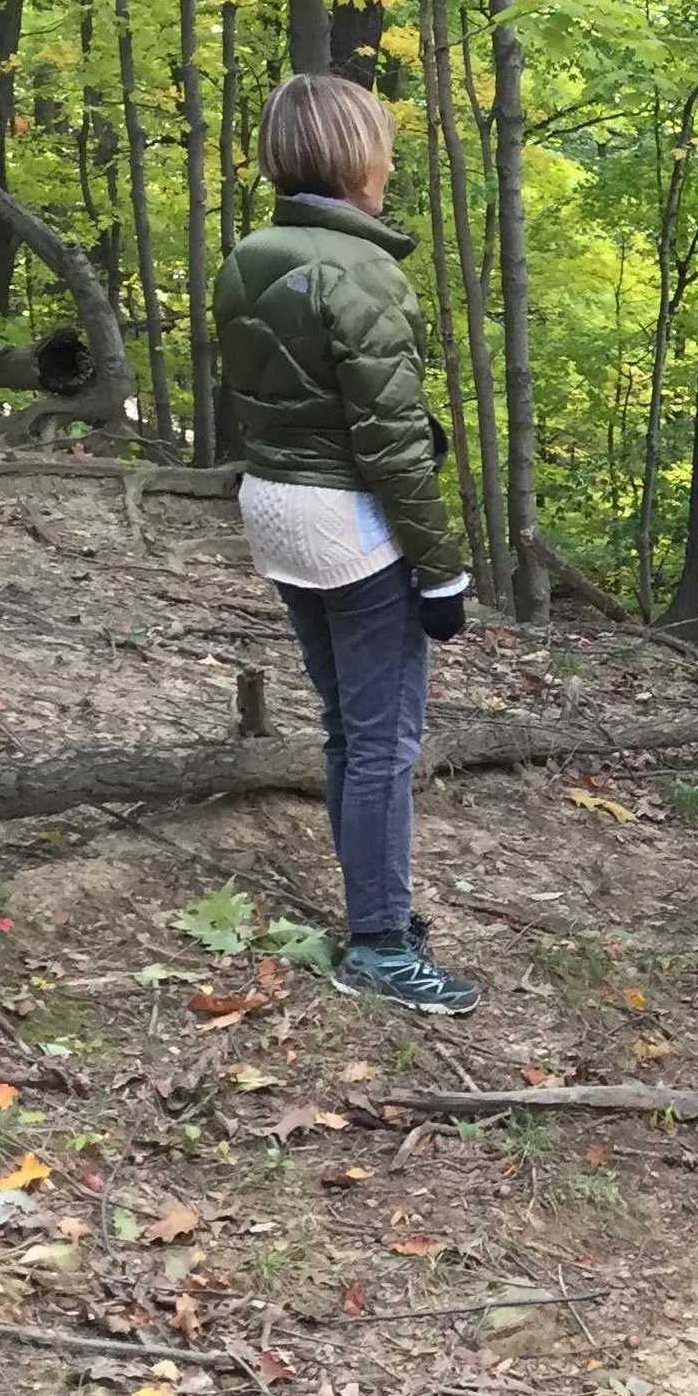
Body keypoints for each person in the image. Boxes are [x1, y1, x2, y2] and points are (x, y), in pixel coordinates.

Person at [212, 74, 478, 1014]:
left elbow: (277, 398)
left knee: (346, 728)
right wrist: (442, 568)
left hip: (274, 505)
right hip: (350, 525)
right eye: (383, 145)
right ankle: (379, 942)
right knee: (384, 741)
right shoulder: (364, 272)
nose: (392, 162)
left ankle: (378, 912)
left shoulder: (246, 254)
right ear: (353, 157)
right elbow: (392, 445)